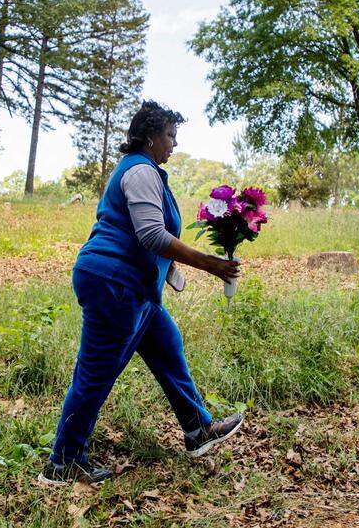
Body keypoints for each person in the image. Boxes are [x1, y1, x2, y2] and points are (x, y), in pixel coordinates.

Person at [39, 101, 244, 486]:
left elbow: (147, 237)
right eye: (170, 135)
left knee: (168, 344)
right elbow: (151, 234)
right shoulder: (140, 172)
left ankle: (197, 429)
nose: (174, 144)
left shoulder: (143, 171)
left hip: (131, 285)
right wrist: (211, 264)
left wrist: (170, 273)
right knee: (95, 373)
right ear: (150, 137)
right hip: (114, 284)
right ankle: (63, 461)